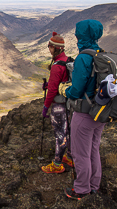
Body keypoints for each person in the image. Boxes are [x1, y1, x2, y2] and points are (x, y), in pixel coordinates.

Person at [59, 19, 106, 200]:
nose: (77, 36)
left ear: (82, 35)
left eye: (78, 33)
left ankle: (81, 190)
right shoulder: (100, 54)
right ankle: (94, 186)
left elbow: (77, 90)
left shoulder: (83, 58)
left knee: (80, 154)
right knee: (94, 150)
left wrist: (65, 90)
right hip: (99, 113)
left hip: (84, 114)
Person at [41, 32, 74, 174]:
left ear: (56, 47)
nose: (49, 49)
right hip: (69, 104)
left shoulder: (56, 66)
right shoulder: (67, 60)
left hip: (59, 106)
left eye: (50, 46)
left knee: (60, 134)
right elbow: (63, 81)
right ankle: (70, 157)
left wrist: (46, 107)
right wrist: (49, 84)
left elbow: (54, 90)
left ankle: (57, 164)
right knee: (70, 132)